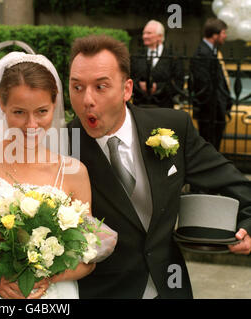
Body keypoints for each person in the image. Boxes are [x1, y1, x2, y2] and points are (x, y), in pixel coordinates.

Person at [67, 34, 251, 299]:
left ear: (127, 89)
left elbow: (237, 186)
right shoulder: (62, 148)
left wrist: (247, 226)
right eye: (77, 87)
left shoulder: (173, 128)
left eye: (101, 86)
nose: (87, 100)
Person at [0, 51, 117, 299]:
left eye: (41, 111)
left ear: (54, 105)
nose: (31, 125)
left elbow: (88, 256)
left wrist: (49, 276)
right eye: (19, 112)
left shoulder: (74, 172)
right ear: (2, 104)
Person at [190, 18, 233, 150]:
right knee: (209, 148)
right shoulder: (202, 53)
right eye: (223, 33)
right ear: (215, 35)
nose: (225, 36)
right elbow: (204, 86)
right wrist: (219, 104)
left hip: (215, 111)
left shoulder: (212, 52)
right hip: (209, 112)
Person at [131, 20, 184, 109]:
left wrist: (158, 87)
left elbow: (179, 83)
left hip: (163, 107)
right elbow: (130, 78)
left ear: (160, 36)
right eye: (144, 33)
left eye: (148, 33)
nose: (144, 36)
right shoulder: (136, 56)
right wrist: (139, 85)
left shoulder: (173, 57)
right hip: (140, 107)